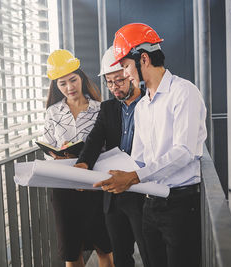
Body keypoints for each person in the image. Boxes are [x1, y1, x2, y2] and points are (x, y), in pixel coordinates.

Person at [93, 23, 207, 267]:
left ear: (143, 59)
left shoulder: (184, 93)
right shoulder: (143, 106)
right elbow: (140, 158)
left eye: (125, 66)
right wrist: (115, 175)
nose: (125, 74)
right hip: (150, 205)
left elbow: (184, 152)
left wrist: (133, 176)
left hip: (180, 205)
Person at [74, 46, 150, 267]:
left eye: (119, 80)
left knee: (150, 254)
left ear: (130, 77)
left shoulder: (149, 104)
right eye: (109, 82)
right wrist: (83, 164)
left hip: (142, 191)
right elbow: (95, 140)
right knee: (121, 257)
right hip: (115, 196)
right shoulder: (107, 109)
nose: (114, 87)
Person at [44, 49, 114, 267]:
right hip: (64, 188)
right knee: (71, 251)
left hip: (94, 184)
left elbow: (107, 146)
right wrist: (55, 153)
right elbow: (48, 146)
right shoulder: (53, 112)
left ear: (81, 78)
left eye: (73, 80)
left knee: (104, 246)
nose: (69, 87)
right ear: (56, 86)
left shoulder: (99, 109)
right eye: (62, 84)